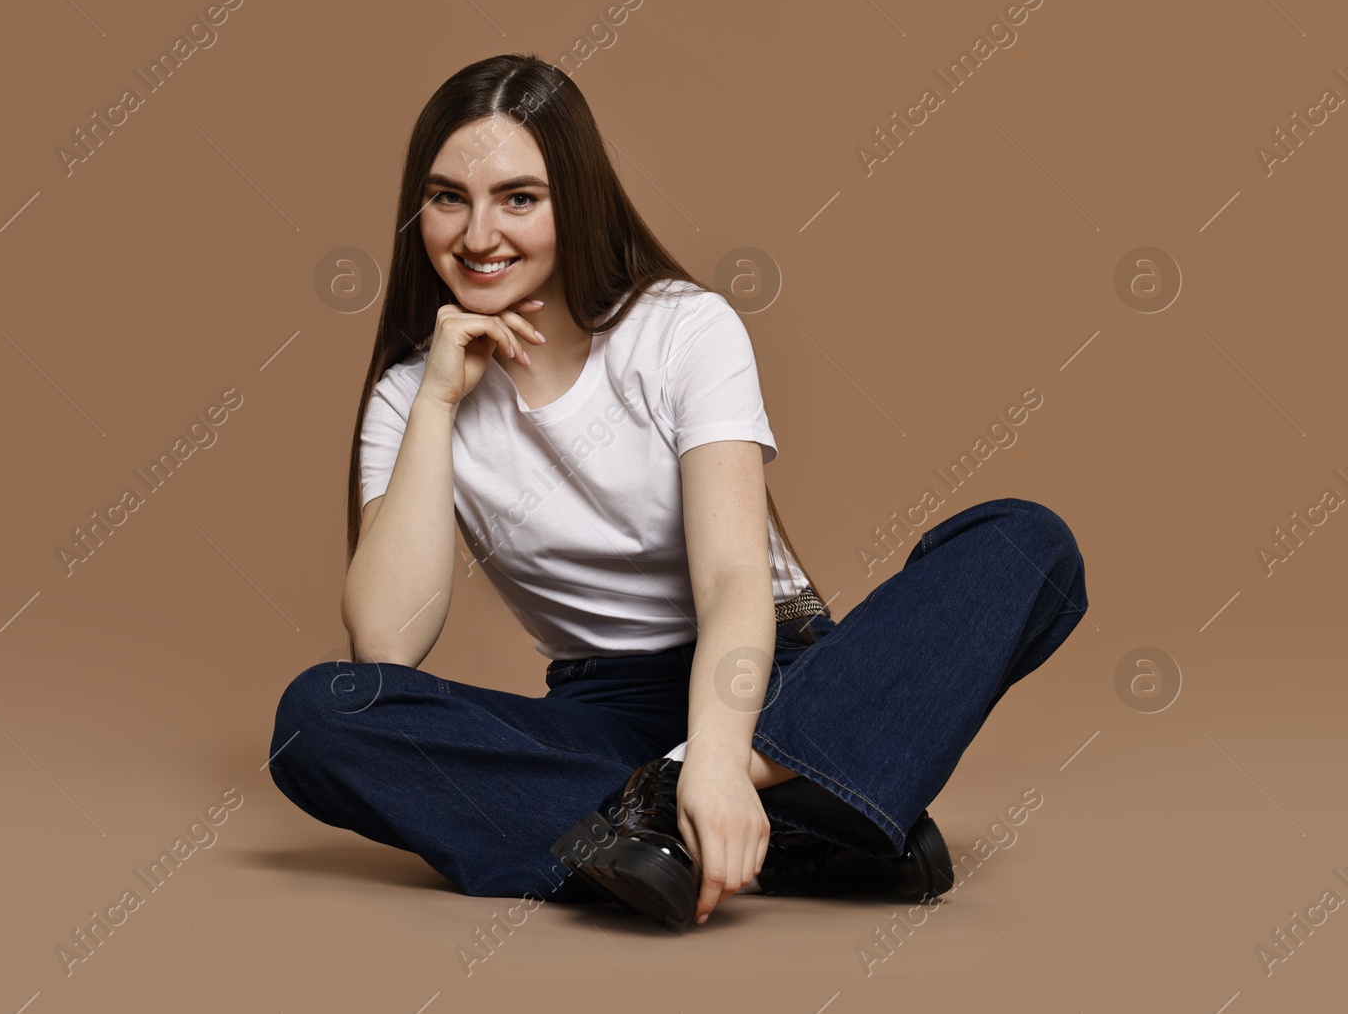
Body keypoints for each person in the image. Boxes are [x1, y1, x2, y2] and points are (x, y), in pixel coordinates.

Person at [268, 53, 1088, 932]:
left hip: (771, 676)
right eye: (447, 198)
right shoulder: (410, 394)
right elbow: (386, 643)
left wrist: (716, 756)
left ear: (574, 201)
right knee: (319, 716)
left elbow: (737, 581)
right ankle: (803, 817)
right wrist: (437, 399)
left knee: (1023, 544)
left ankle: (664, 814)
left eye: (519, 198)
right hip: (603, 707)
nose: (477, 236)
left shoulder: (682, 331)